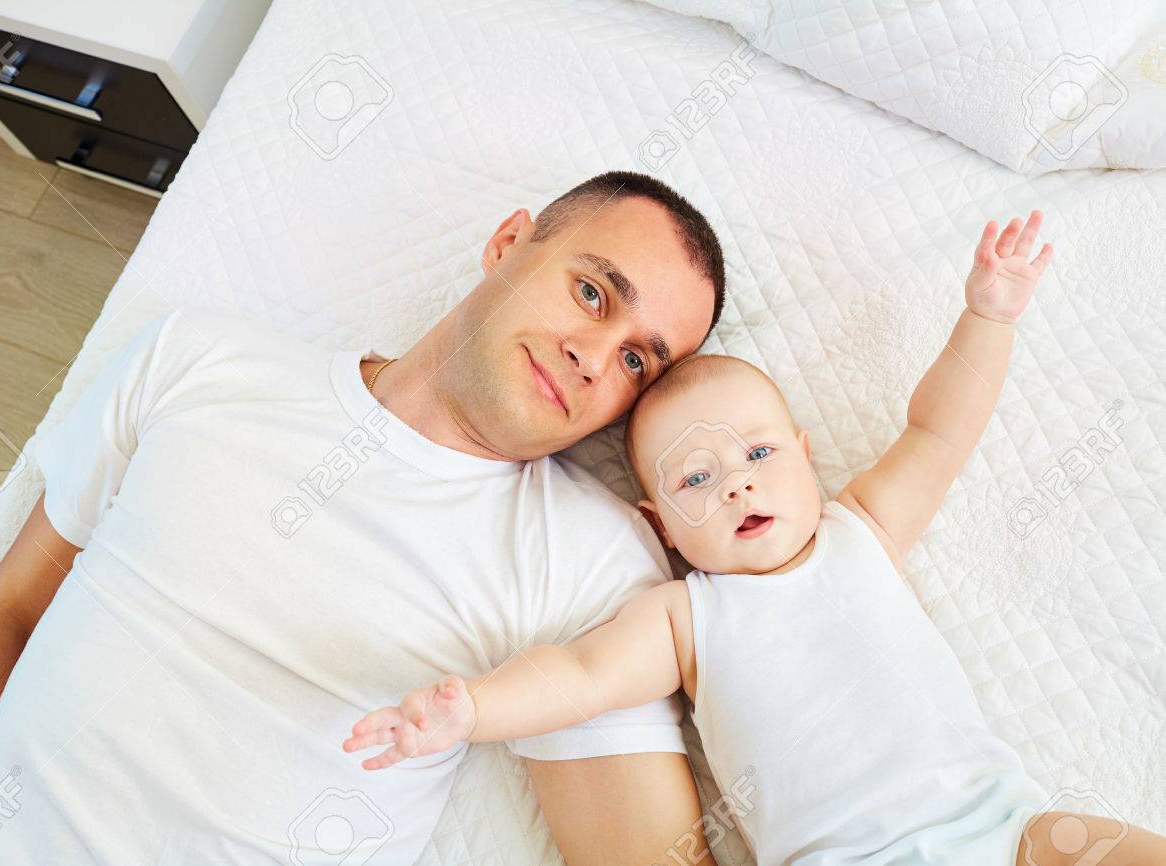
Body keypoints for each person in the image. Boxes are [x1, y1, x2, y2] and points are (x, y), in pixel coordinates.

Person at [0, 171, 726, 865]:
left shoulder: (590, 565)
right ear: (508, 242)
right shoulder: (196, 360)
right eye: (590, 292)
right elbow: (12, 607)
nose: (593, 357)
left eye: (638, 361)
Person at [346, 212, 1166, 865]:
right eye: (696, 479)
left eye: (760, 454)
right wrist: (473, 710)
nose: (737, 482)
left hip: (1006, 830)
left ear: (806, 460)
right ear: (660, 526)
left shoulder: (860, 528)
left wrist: (988, 316)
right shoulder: (684, 619)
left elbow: (940, 431)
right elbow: (580, 676)